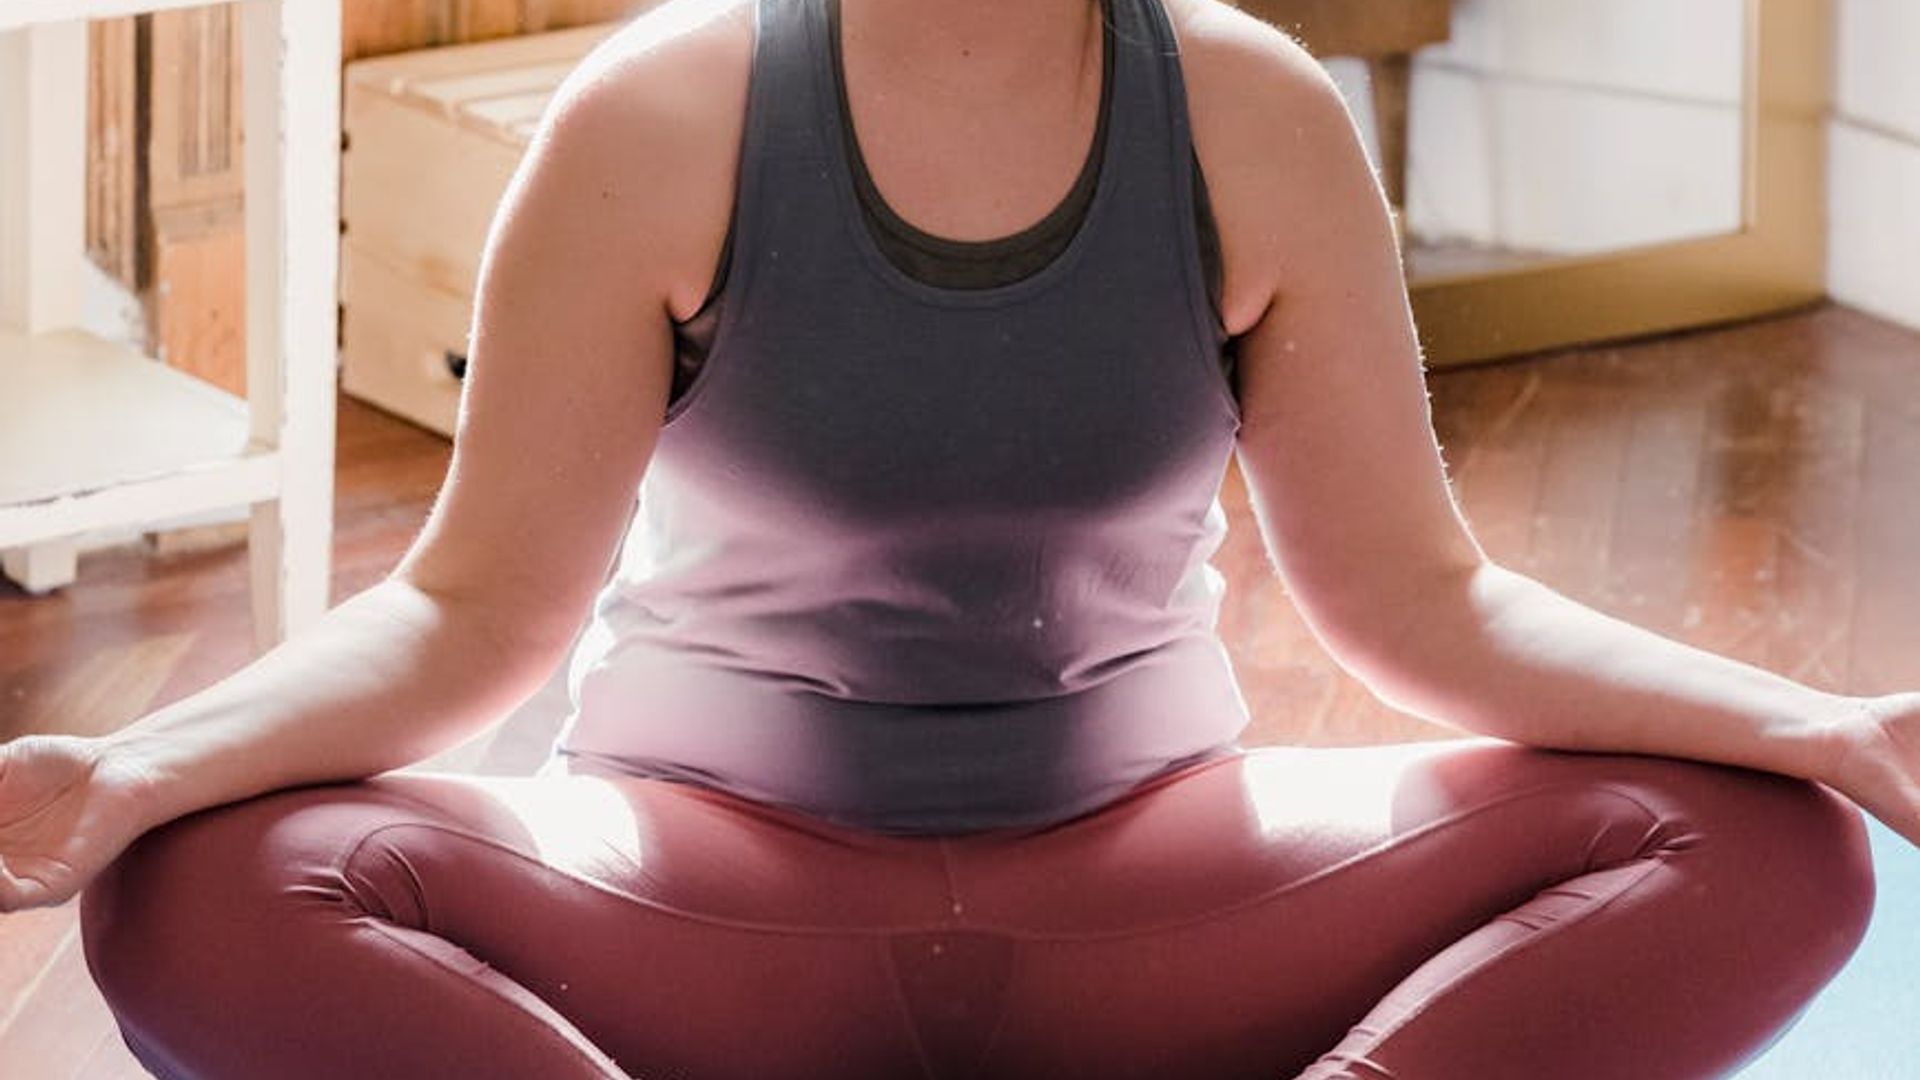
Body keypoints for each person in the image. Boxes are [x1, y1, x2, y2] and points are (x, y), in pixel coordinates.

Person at [1, 0, 1909, 1075]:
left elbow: (1425, 599)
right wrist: (140, 770)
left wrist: (1814, 727)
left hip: (1157, 890)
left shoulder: (1249, 112)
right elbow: (469, 608)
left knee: (1774, 844)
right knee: (190, 892)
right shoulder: (661, 115)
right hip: (709, 892)